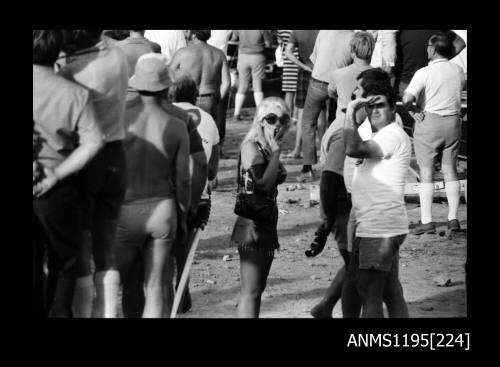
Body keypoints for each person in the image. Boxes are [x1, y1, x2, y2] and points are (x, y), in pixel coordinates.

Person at [119, 53, 208, 317]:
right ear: (166, 86)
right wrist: (186, 210)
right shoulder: (179, 122)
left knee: (131, 283)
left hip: (125, 209)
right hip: (162, 208)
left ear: (136, 83)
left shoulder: (119, 118)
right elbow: (185, 175)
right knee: (157, 286)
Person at [33, 30, 104, 317]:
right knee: (65, 264)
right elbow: (94, 141)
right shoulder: (74, 93)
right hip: (57, 189)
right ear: (59, 52)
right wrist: (57, 173)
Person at [59, 30, 129, 318]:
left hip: (86, 158)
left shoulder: (71, 74)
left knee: (83, 246)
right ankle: (108, 314)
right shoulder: (118, 57)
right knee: (106, 244)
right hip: (116, 154)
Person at [307, 32, 375, 318]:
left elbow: (333, 95)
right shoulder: (375, 77)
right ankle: (332, 308)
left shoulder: (339, 74)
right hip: (345, 198)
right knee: (355, 264)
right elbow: (331, 179)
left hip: (339, 131)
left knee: (354, 263)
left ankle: (325, 307)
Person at [342, 72, 411, 318]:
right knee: (390, 293)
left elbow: (353, 148)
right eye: (370, 107)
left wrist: (351, 111)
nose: (375, 111)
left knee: (369, 293)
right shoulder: (381, 134)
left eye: (381, 105)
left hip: (379, 227)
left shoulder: (391, 134)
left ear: (394, 108)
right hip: (380, 224)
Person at [165, 74, 221, 314]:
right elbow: (211, 170)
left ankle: (166, 299)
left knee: (163, 253)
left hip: (167, 194)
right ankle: (183, 294)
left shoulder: (164, 114)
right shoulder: (208, 119)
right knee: (184, 253)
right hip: (199, 197)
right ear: (195, 95)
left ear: (170, 94)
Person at [232, 97, 290, 317]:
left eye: (282, 119)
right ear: (261, 121)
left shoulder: (266, 149)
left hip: (265, 223)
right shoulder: (251, 147)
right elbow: (263, 183)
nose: (277, 124)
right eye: (271, 118)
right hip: (252, 225)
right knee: (251, 291)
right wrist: (276, 154)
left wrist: (274, 153)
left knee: (257, 290)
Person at [402, 33, 465, 235]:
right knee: (450, 170)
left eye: (429, 45)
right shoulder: (458, 70)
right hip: (453, 123)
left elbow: (406, 98)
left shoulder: (423, 72)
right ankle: (453, 218)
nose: (427, 48)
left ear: (434, 49)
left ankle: (427, 220)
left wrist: (413, 109)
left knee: (427, 172)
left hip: (429, 122)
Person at [299, 30, 354, 182]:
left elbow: (315, 58)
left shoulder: (324, 31)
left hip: (318, 82)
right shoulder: (353, 37)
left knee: (308, 125)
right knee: (342, 123)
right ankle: (335, 164)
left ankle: (307, 168)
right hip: (340, 83)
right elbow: (352, 62)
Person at [169, 30, 230, 124]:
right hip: (209, 100)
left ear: (194, 34)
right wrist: (217, 100)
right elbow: (226, 83)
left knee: (188, 133)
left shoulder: (182, 53)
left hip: (186, 100)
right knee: (207, 135)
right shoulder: (219, 54)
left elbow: (169, 75)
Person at [284, 30, 322, 159]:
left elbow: (288, 53)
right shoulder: (323, 31)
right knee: (321, 114)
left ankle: (297, 150)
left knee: (301, 113)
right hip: (320, 72)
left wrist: (303, 66)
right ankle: (323, 153)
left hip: (304, 72)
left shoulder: (297, 32)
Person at [395, 30, 465, 97]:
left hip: (406, 83)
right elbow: (460, 44)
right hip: (434, 81)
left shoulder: (394, 33)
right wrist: (441, 59)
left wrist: (440, 59)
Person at [231, 30, 273, 120]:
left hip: (242, 57)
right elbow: (268, 44)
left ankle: (236, 114)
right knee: (257, 85)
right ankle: (260, 114)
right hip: (258, 56)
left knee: (242, 85)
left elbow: (233, 39)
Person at [277, 30, 299, 116]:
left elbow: (280, 42)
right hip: (298, 60)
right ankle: (296, 116)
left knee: (288, 90)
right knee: (298, 91)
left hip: (287, 59)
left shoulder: (281, 31)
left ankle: (287, 115)